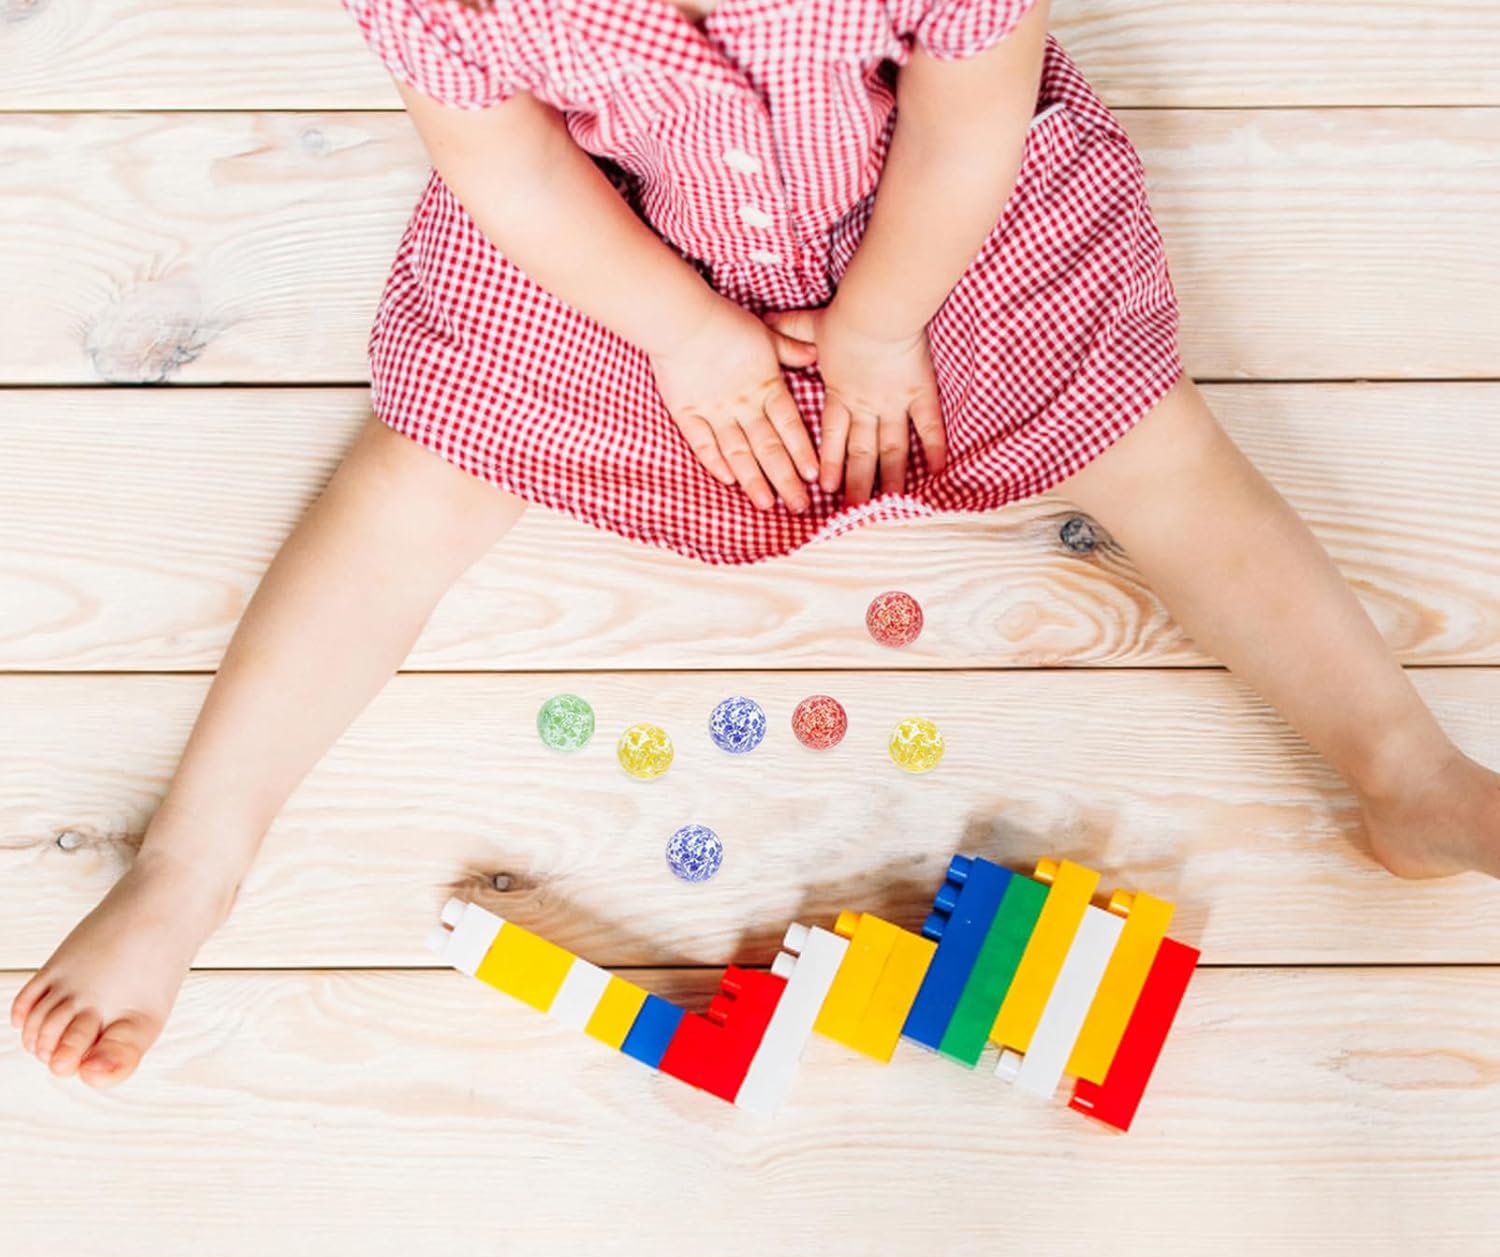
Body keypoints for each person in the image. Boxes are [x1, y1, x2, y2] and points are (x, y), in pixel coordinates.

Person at [12, 0, 1498, 1086]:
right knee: (420, 475)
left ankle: (1404, 771)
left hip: (925, 222)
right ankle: (192, 864)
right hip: (624, 246)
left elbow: (967, 115)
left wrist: (885, 321)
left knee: (1148, 439)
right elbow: (511, 171)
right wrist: (684, 333)